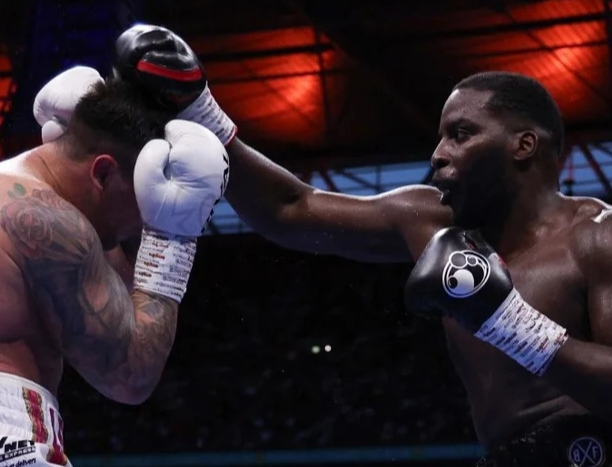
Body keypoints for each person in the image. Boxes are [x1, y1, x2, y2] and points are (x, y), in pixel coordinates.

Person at [111, 24, 612, 466]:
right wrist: (199, 108)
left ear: (524, 145)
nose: (438, 154)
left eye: (461, 134)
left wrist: (509, 323)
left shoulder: (596, 237)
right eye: (441, 137)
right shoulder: (431, 221)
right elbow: (292, 208)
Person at [0, 65, 230, 467]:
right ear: (103, 172)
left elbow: (115, 287)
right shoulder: (44, 219)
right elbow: (131, 374)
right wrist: (172, 236)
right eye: (142, 204)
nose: (141, 224)